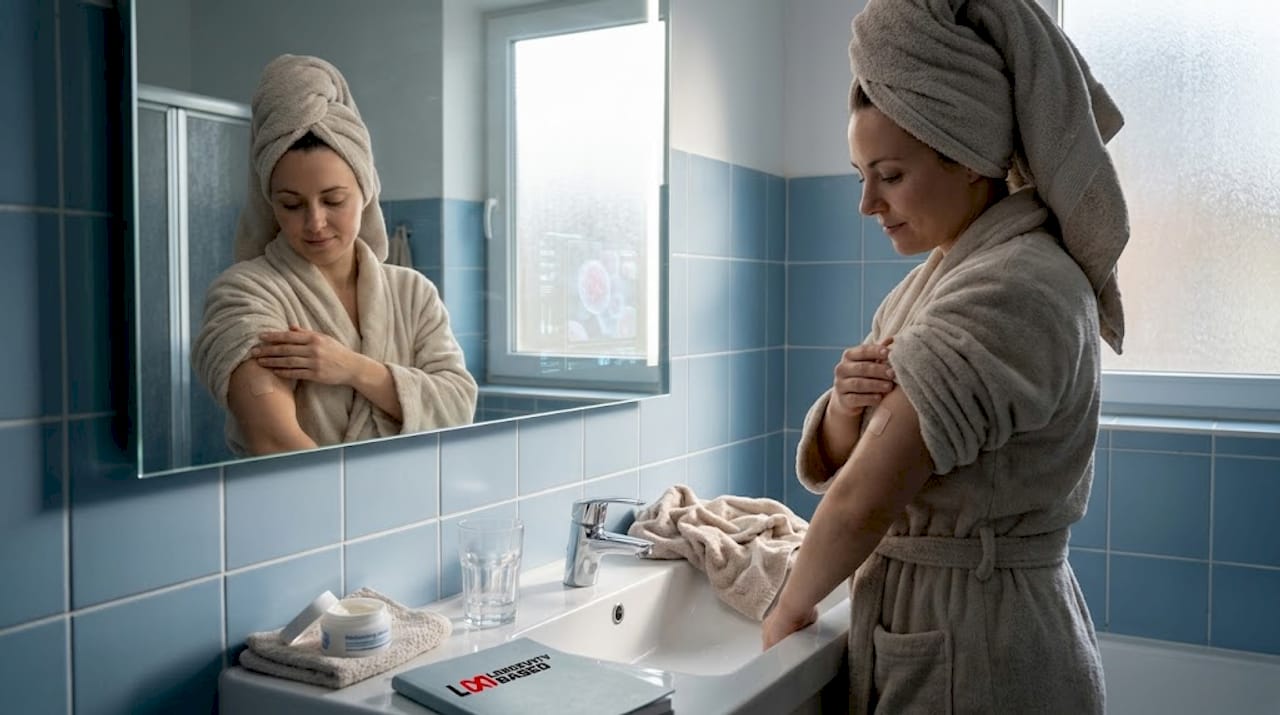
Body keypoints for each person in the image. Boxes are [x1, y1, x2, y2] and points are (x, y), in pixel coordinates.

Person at [761, 1, 1130, 713]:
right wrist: (844, 409)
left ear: (966, 158)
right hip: (945, 617)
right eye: (860, 176)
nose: (867, 203)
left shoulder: (1016, 285)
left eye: (890, 175)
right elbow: (856, 453)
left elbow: (865, 496)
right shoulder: (934, 282)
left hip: (982, 647)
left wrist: (786, 610)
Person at [192, 54, 477, 457]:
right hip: (303, 498)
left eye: (334, 200)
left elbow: (459, 406)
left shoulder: (412, 292)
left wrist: (352, 368)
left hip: (415, 493)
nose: (315, 222)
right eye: (291, 204)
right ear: (270, 203)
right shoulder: (246, 295)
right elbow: (274, 443)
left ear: (365, 192)